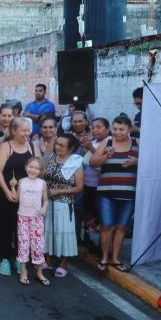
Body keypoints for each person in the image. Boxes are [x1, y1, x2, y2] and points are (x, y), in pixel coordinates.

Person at [0, 117, 42, 276]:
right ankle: (5, 259)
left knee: (23, 230)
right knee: (7, 228)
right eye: (24, 130)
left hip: (28, 198)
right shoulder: (5, 147)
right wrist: (7, 191)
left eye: (29, 130)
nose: (28, 133)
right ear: (14, 131)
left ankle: (20, 258)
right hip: (7, 195)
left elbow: (39, 169)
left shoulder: (33, 147)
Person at [90, 115, 138, 272]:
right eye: (115, 129)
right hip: (106, 193)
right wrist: (106, 156)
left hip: (129, 194)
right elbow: (92, 162)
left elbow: (150, 163)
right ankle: (104, 257)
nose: (118, 132)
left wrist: (136, 162)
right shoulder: (107, 142)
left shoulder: (137, 144)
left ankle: (116, 259)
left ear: (129, 129)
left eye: (121, 129)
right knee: (106, 226)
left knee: (122, 227)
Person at [44, 134, 84, 277]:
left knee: (64, 233)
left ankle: (63, 264)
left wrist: (59, 191)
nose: (57, 147)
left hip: (64, 204)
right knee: (48, 231)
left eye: (61, 145)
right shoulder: (52, 158)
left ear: (71, 148)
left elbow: (79, 187)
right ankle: (47, 260)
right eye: (57, 144)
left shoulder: (75, 163)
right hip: (49, 202)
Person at [15, 157, 51, 286]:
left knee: (38, 246)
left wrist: (43, 209)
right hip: (23, 217)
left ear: (40, 170)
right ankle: (23, 272)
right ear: (26, 167)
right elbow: (17, 200)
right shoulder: (21, 182)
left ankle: (39, 272)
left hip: (37, 218)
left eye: (37, 168)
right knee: (23, 245)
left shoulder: (42, 183)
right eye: (31, 167)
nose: (33, 170)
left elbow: (46, 200)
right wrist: (13, 188)